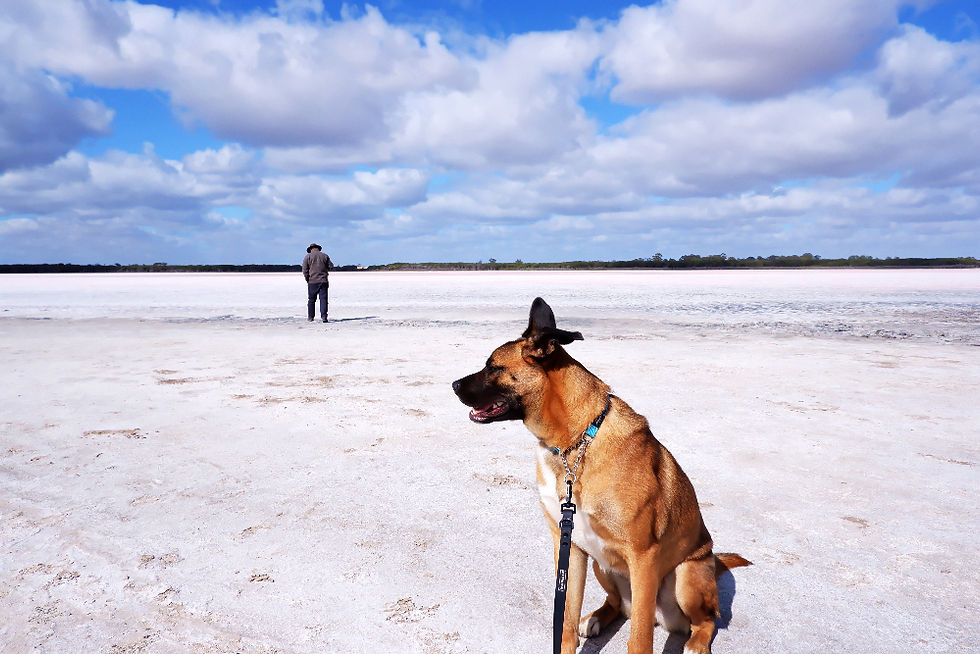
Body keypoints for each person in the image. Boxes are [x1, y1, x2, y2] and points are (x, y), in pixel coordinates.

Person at [302, 243, 332, 323]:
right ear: (318, 248)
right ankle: (324, 317)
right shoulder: (325, 256)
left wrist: (307, 279)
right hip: (323, 281)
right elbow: (331, 266)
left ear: (311, 249)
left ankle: (311, 317)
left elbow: (304, 270)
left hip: (312, 281)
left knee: (311, 300)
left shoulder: (307, 257)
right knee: (323, 300)